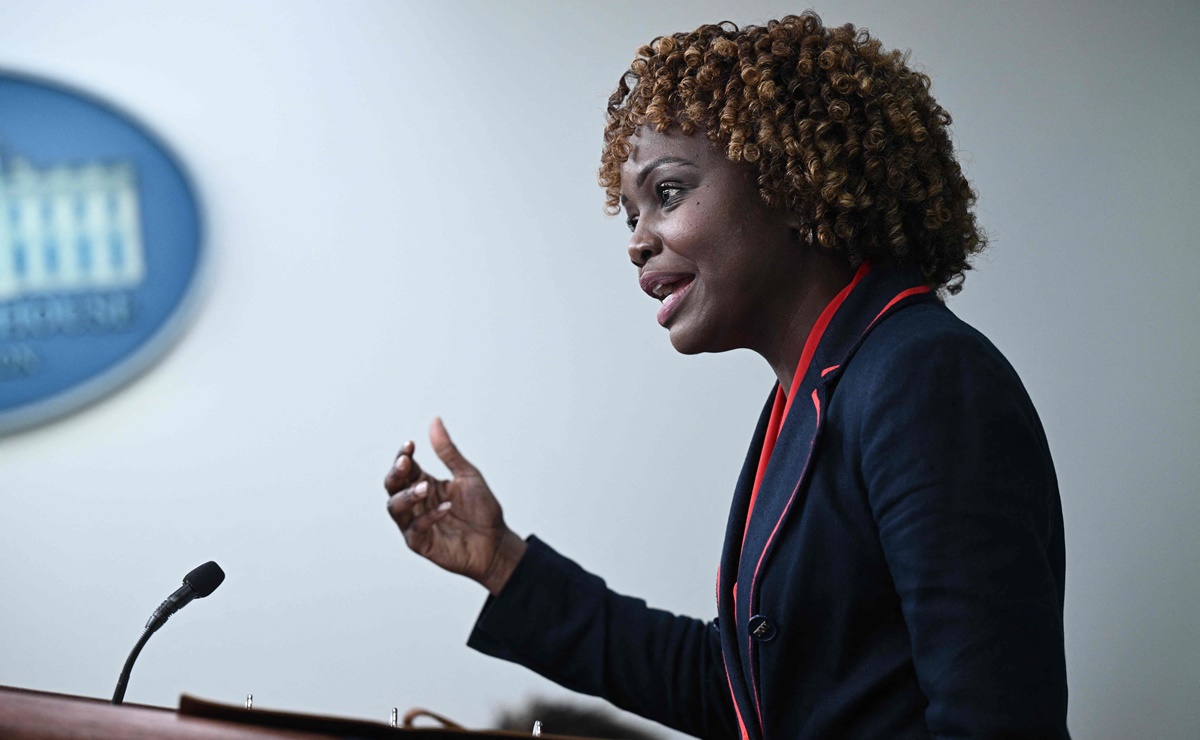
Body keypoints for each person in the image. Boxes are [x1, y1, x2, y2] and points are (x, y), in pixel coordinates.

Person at [385, 12, 1068, 739]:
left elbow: (992, 722)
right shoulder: (811, 396)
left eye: (667, 193)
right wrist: (503, 562)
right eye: (630, 216)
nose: (638, 241)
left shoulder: (923, 377)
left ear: (794, 183)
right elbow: (746, 694)